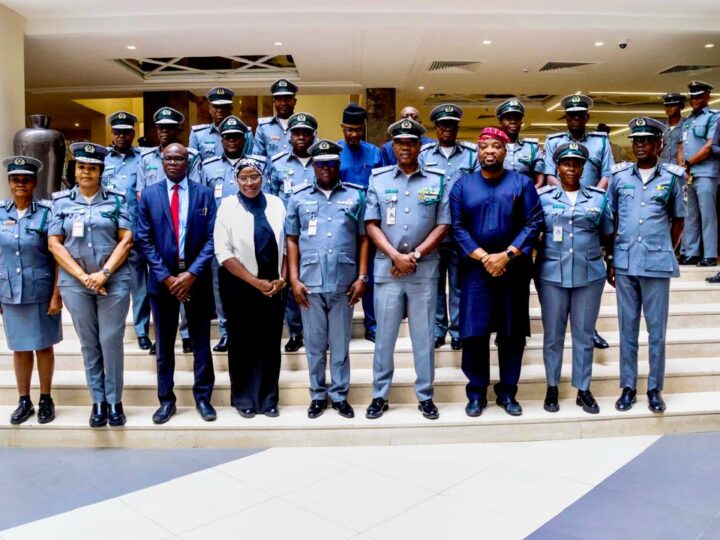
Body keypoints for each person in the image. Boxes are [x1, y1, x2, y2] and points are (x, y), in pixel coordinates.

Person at [450, 127, 543, 417]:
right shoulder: (462, 186)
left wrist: (506, 255)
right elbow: (457, 227)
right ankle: (476, 392)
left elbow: (534, 222)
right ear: (478, 153)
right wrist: (485, 258)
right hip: (475, 272)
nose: (489, 151)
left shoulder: (522, 184)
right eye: (484, 147)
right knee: (474, 334)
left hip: (512, 270)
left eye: (496, 146)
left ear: (505, 151)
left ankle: (507, 392)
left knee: (512, 334)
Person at [364, 118, 450, 421]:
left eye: (411, 142)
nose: (405, 147)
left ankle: (425, 396)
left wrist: (413, 255)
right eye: (400, 142)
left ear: (419, 146)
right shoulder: (378, 178)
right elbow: (371, 223)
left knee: (424, 337)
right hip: (387, 271)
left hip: (423, 270)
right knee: (384, 337)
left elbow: (443, 224)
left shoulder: (438, 179)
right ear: (393, 146)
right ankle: (379, 395)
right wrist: (394, 256)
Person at [48, 142, 132, 428]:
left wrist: (104, 273)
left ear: (100, 171)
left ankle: (114, 401)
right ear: (75, 170)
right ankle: (97, 401)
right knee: (89, 343)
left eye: (92, 167)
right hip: (75, 283)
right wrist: (84, 278)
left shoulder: (117, 200)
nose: (86, 172)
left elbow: (126, 240)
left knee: (110, 341)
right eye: (82, 166)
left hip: (114, 280)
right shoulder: (60, 202)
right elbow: (55, 245)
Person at [608, 117, 686, 413]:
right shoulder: (619, 177)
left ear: (659, 144)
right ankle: (628, 386)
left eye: (646, 140)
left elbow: (678, 219)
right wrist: (612, 258)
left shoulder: (671, 178)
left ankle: (655, 388)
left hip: (655, 263)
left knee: (656, 331)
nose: (640, 145)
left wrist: (665, 248)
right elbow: (613, 219)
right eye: (636, 140)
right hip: (626, 263)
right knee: (627, 329)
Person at [286, 140, 368, 419]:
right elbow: (292, 240)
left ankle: (340, 395)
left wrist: (362, 277)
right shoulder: (298, 197)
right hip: (309, 283)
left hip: (344, 283)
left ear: (338, 165)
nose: (326, 168)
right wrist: (294, 279)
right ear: (313, 166)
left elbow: (363, 239)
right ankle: (318, 395)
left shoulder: (356, 196)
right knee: (315, 345)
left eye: (332, 163)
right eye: (321, 164)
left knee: (341, 344)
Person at [136, 143, 217, 424]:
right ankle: (166, 401)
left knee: (201, 342)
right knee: (165, 344)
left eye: (179, 158)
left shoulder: (205, 195)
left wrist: (191, 274)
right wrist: (168, 277)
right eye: (168, 158)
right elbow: (144, 240)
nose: (173, 162)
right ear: (162, 161)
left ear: (188, 161)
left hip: (196, 278)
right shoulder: (148, 196)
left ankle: (203, 399)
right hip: (163, 281)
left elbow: (212, 239)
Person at [535, 142, 613, 414]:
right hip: (551, 275)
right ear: (557, 167)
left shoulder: (598, 198)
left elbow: (608, 233)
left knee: (583, 334)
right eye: (566, 163)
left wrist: (611, 261)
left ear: (583, 168)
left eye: (576, 164)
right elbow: (533, 232)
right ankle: (552, 387)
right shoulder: (543, 197)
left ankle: (583, 389)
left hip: (588, 274)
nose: (571, 167)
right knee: (553, 336)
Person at [214, 158, 287, 418]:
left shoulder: (277, 204)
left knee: (269, 343)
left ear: (263, 177)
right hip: (239, 286)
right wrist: (256, 283)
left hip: (274, 287)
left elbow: (286, 245)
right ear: (236, 180)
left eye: (254, 177)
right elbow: (223, 253)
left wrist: (282, 279)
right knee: (243, 343)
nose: (249, 183)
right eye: (243, 178)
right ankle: (244, 398)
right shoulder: (226, 207)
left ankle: (268, 399)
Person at [543, 94, 615, 350]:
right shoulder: (553, 142)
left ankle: (588, 328)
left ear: (587, 117)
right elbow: (550, 175)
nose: (575, 118)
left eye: (580, 115)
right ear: (566, 117)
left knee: (586, 267)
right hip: (560, 207)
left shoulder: (601, 141)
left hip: (592, 210)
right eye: (571, 115)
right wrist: (566, 196)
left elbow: (607, 174)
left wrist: (591, 199)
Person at [1, 156, 62, 425]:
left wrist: (57, 294)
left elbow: (58, 256)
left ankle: (46, 398)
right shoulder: (1, 213)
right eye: (16, 179)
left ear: (35, 183)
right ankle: (24, 399)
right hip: (10, 291)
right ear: (9, 183)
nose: (20, 184)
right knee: (19, 348)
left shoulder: (48, 213)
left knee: (43, 347)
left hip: (41, 290)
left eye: (25, 179)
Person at [200, 115, 266, 353]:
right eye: (227, 137)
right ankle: (226, 332)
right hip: (220, 238)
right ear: (221, 139)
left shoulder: (258, 164)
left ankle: (255, 328)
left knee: (254, 280)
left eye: (236, 136)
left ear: (244, 138)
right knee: (221, 286)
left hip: (252, 236)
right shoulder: (208, 166)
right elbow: (202, 202)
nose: (232, 141)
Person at [137, 107, 200, 353]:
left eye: (169, 127)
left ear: (178, 130)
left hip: (184, 224)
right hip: (157, 228)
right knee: (158, 285)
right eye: (161, 127)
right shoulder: (146, 159)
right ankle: (161, 337)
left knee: (186, 286)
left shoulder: (192, 156)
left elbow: (195, 190)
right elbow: (142, 194)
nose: (164, 131)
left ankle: (185, 335)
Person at [420, 103, 478, 350]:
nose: (446, 129)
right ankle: (437, 329)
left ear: (457, 128)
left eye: (451, 125)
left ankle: (457, 330)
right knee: (434, 283)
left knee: (458, 284)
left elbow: (476, 190)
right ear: (435, 128)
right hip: (433, 230)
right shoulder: (424, 155)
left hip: (461, 230)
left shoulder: (470, 154)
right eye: (442, 125)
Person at [266, 112, 318, 352]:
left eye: (306, 133)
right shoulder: (277, 163)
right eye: (297, 133)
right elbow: (270, 199)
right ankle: (296, 332)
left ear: (313, 136)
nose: (301, 137)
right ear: (289, 136)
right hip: (287, 235)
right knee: (288, 283)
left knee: (316, 282)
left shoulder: (323, 159)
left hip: (317, 233)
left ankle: (317, 332)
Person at [103, 110, 152, 351]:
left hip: (140, 230)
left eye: (126, 132)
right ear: (111, 134)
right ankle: (112, 331)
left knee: (140, 284)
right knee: (116, 286)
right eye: (117, 132)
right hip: (112, 234)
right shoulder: (102, 160)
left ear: (133, 134)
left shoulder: (144, 158)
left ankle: (142, 330)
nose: (121, 136)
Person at [337, 102, 382, 342]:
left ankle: (372, 325)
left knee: (370, 276)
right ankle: (341, 325)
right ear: (342, 127)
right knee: (344, 276)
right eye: (349, 129)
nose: (353, 134)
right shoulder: (334, 151)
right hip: (342, 224)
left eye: (358, 129)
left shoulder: (375, 152)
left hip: (370, 223)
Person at [678, 81, 719, 268]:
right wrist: (681, 165)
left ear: (707, 96)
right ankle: (691, 253)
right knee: (690, 214)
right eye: (692, 97)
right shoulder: (687, 121)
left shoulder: (714, 117)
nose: (694, 100)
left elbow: (710, 146)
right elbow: (681, 146)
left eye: (699, 96)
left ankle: (710, 254)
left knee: (708, 215)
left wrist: (688, 162)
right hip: (688, 174)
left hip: (706, 172)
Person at [495, 97, 544, 188]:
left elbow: (540, 178)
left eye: (517, 118)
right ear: (500, 122)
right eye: (508, 118)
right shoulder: (493, 148)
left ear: (521, 122)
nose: (513, 121)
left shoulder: (532, 147)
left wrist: (530, 194)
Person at [189, 87, 245, 161]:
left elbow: (249, 162)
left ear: (231, 109)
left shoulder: (245, 132)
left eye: (223, 107)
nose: (219, 110)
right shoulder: (198, 134)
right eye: (216, 107)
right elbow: (192, 163)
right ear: (210, 109)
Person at [253, 78, 298, 159]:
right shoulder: (263, 127)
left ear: (294, 101)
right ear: (273, 101)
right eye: (279, 99)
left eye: (287, 98)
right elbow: (258, 159)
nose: (283, 103)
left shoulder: (305, 126)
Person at [660, 93, 686, 165]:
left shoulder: (687, 124)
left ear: (681, 106)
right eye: (666, 105)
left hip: (680, 166)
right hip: (662, 166)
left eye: (673, 105)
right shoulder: (661, 126)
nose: (669, 108)